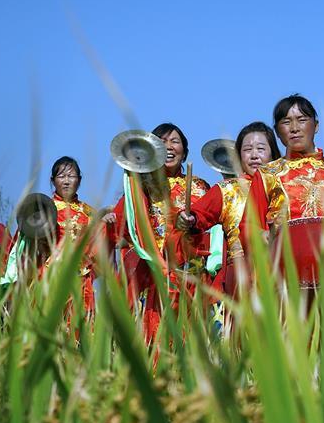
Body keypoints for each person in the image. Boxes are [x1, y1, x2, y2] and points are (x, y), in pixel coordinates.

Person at [106, 122, 211, 343]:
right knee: (155, 333)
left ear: (185, 151)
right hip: (155, 271)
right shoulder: (142, 187)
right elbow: (123, 229)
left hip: (192, 272)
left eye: (175, 141)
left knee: (193, 334)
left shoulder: (201, 186)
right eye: (162, 142)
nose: (169, 147)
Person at [178, 121, 281, 295]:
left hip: (283, 272)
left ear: (273, 154)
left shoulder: (284, 185)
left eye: (261, 149)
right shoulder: (228, 189)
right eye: (247, 150)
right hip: (242, 277)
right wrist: (190, 218)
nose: (254, 155)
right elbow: (200, 214)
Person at [243, 95, 324, 240]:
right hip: (284, 259)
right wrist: (264, 236)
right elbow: (249, 226)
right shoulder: (267, 174)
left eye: (302, 120)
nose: (294, 128)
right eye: (286, 122)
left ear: (316, 126)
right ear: (277, 132)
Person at [47, 156, 98, 312]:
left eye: (71, 176)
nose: (67, 181)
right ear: (53, 180)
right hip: (51, 275)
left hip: (81, 278)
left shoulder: (90, 212)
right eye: (61, 176)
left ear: (79, 180)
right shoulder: (44, 208)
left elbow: (100, 245)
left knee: (80, 325)